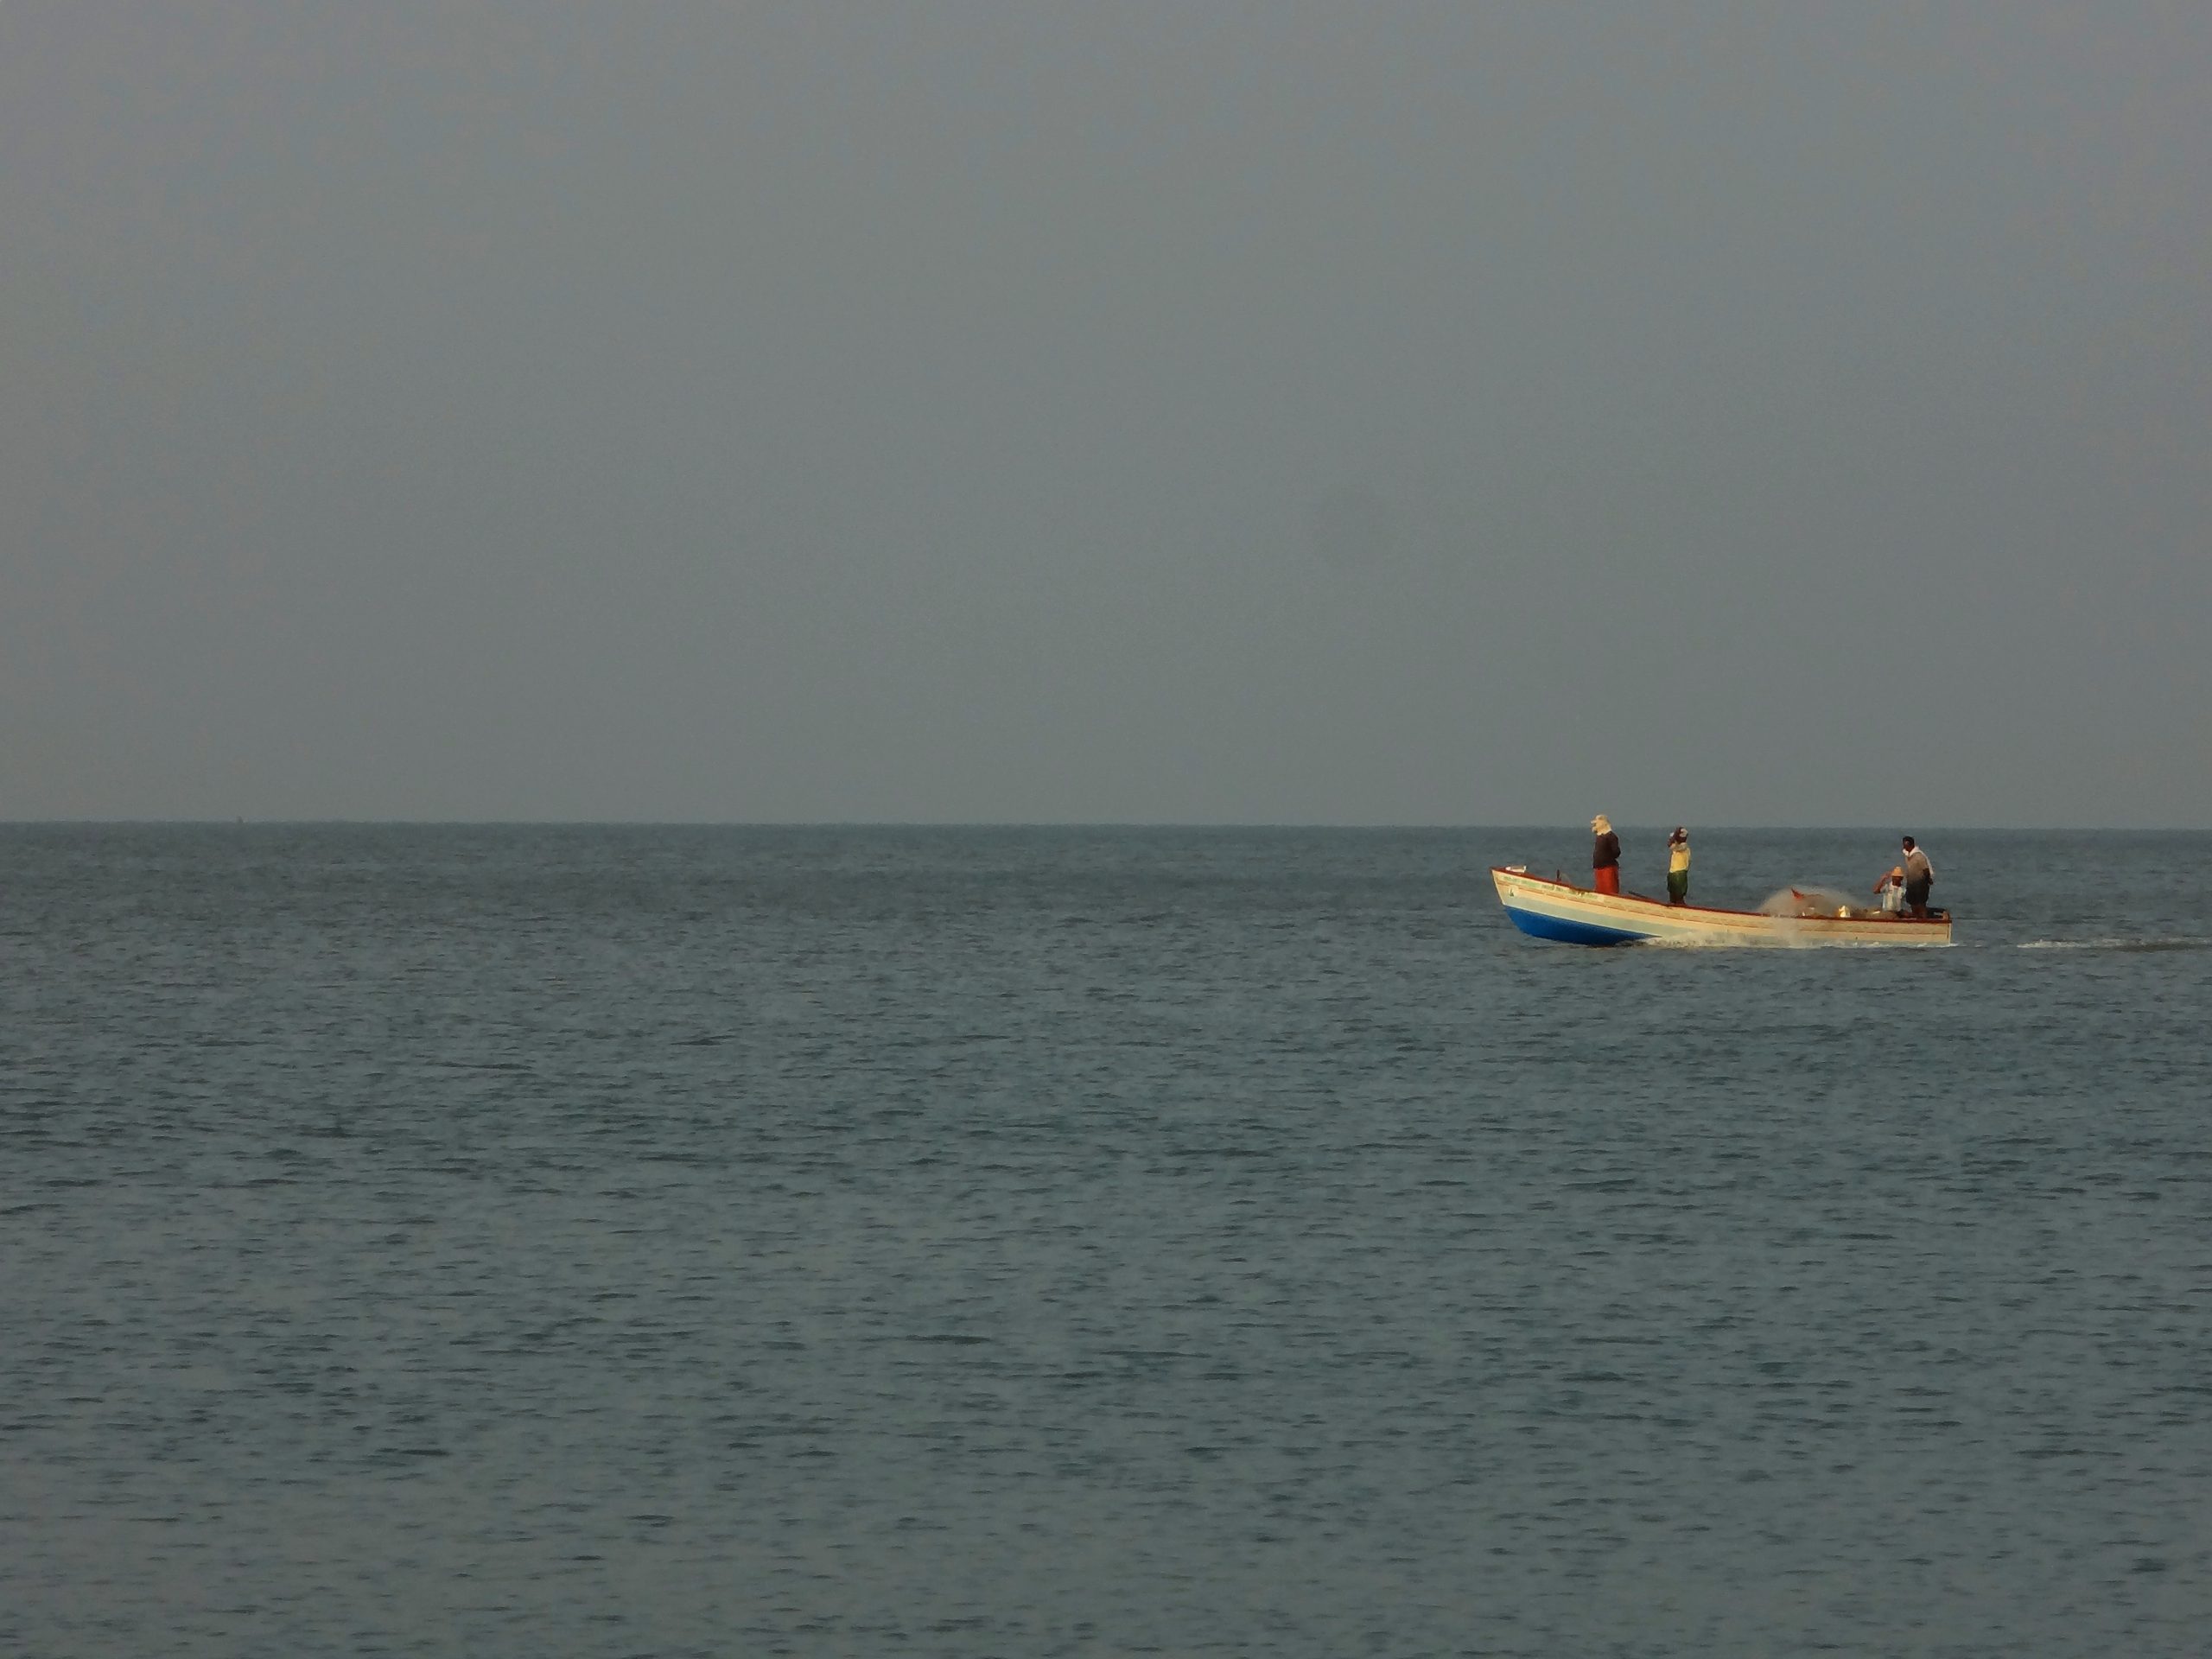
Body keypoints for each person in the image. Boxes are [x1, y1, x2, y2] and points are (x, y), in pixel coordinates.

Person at [1899, 835, 1935, 918]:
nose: (1904, 847)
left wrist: (1928, 880)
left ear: (1911, 845)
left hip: (1920, 882)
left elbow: (1926, 869)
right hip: (1911, 883)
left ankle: (1923, 920)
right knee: (1912, 902)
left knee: (1921, 904)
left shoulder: (1919, 856)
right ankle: (1916, 918)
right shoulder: (1908, 855)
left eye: (1906, 845)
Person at [1591, 814, 1621, 894]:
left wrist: (1608, 857)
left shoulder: (1611, 837)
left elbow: (1616, 852)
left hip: (1608, 867)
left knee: (1610, 889)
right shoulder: (1600, 837)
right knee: (1601, 889)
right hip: (1599, 867)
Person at [1666, 827, 1691, 905]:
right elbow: (1671, 845)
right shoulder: (1676, 847)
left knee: (1679, 895)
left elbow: (1672, 846)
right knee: (1673, 895)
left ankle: (1680, 906)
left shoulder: (1684, 846)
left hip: (1679, 873)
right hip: (1673, 873)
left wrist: (1675, 836)